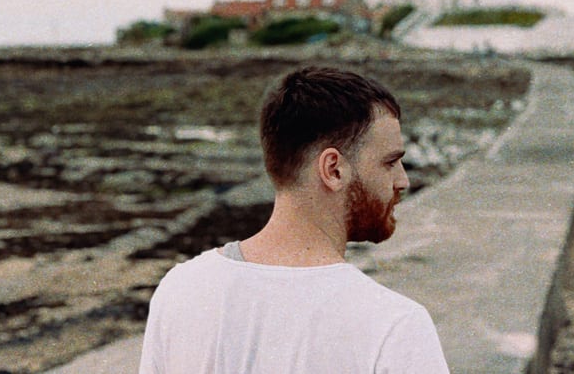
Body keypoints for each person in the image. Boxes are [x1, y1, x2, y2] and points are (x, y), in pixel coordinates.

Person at [139, 66, 449, 373]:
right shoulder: (393, 327)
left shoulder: (182, 291)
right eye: (390, 162)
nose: (403, 181)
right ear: (334, 170)